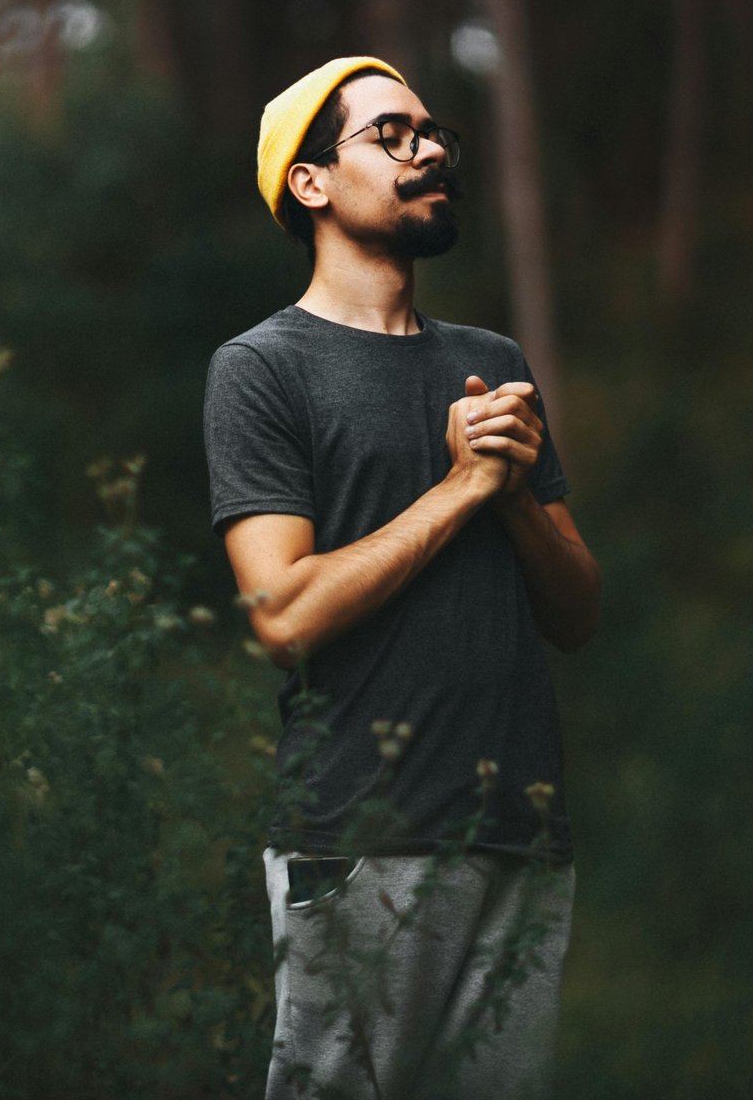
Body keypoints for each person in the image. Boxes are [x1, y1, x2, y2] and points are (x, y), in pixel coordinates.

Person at [202, 56, 602, 1099]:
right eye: (391, 134)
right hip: (362, 840)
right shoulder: (263, 367)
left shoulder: (492, 360)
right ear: (312, 182)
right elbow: (280, 613)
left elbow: (577, 611)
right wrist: (465, 487)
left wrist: (511, 491)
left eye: (433, 134)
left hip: (518, 831)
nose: (429, 151)